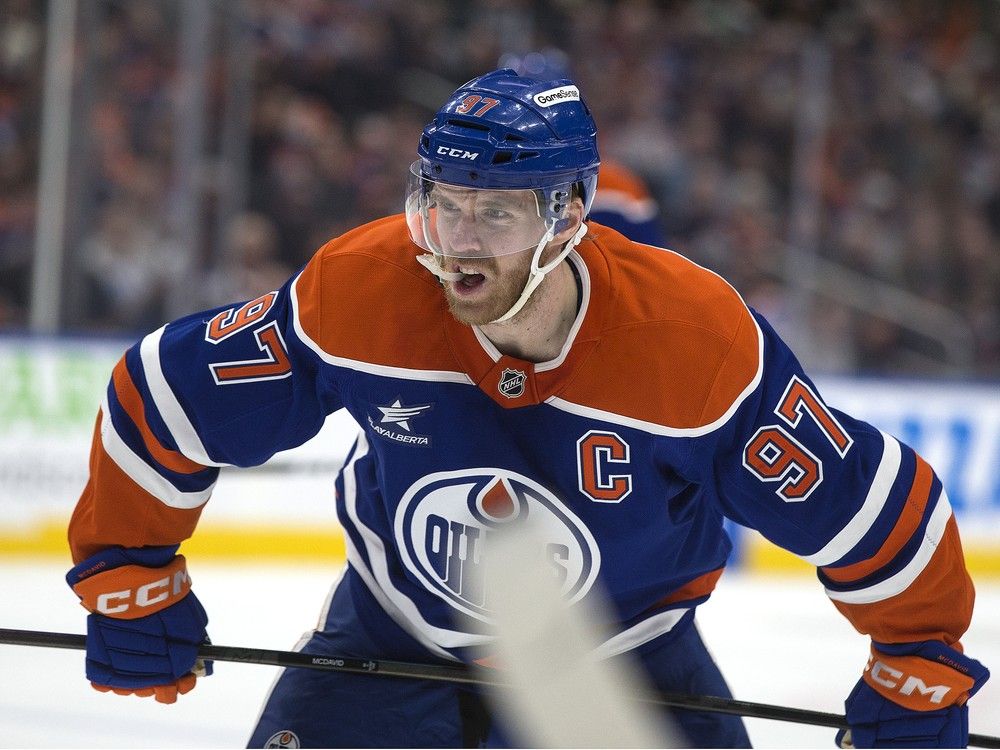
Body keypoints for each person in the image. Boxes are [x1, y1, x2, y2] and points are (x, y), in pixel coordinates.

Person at [64, 68, 988, 748]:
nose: (457, 244)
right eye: (443, 205)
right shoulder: (360, 287)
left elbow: (871, 509)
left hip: (620, 667)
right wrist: (127, 567)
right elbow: (165, 396)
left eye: (496, 214)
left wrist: (919, 660)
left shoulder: (694, 340)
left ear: (569, 216)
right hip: (394, 633)